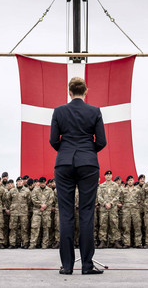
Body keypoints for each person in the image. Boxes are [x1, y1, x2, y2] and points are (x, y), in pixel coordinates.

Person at [50, 76, 107, 275]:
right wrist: (88, 151)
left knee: (65, 214)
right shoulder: (95, 111)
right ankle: (86, 265)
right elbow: (101, 141)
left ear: (69, 91)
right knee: (86, 213)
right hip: (88, 163)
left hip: (64, 163)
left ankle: (67, 266)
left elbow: (53, 140)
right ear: (86, 91)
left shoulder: (58, 111)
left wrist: (66, 150)